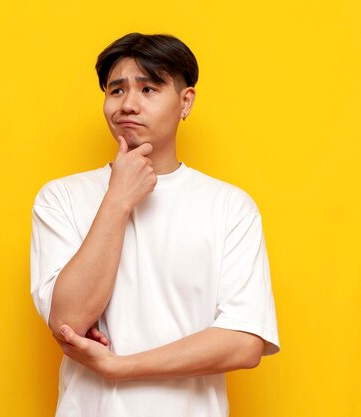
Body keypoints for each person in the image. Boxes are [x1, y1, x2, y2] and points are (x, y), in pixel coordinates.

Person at [30, 33, 280, 417]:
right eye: (116, 90)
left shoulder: (230, 206)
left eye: (148, 89)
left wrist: (121, 366)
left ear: (185, 102)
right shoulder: (61, 197)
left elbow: (244, 343)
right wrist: (117, 200)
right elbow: (68, 322)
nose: (128, 104)